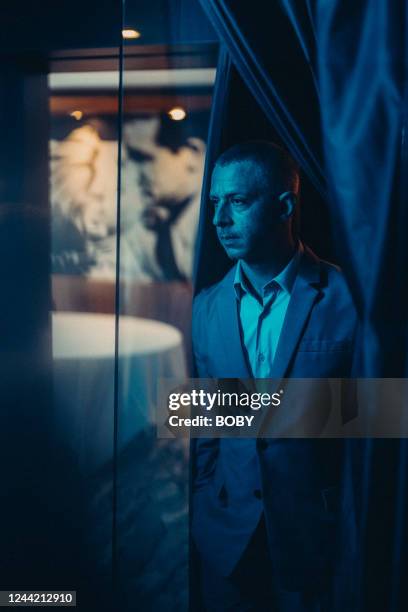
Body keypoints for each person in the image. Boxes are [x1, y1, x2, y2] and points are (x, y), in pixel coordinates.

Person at [191, 141, 358, 611]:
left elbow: (377, 429)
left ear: (285, 205)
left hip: (319, 547)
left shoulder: (349, 300)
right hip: (227, 545)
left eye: (238, 202)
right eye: (215, 203)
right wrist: (207, 506)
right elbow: (207, 431)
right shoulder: (206, 308)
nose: (220, 219)